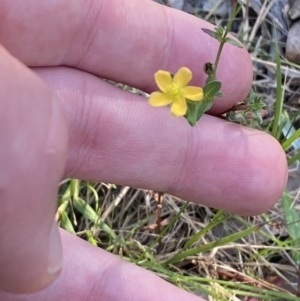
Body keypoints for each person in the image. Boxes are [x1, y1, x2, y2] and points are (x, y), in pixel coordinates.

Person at [0, 0, 287, 300]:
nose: (175, 88)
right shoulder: (169, 91)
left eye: (178, 87)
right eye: (173, 87)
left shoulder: (187, 93)